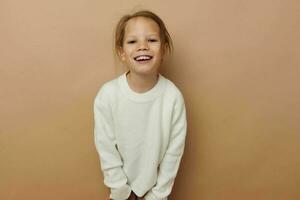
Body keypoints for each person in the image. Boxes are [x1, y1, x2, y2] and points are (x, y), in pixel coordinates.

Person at [93, 10, 187, 200]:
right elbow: (106, 149)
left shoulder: (173, 97)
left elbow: (173, 153)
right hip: (120, 193)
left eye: (152, 40)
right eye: (132, 41)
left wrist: (158, 194)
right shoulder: (108, 95)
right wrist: (120, 190)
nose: (142, 46)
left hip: (157, 194)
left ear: (164, 49)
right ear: (122, 53)